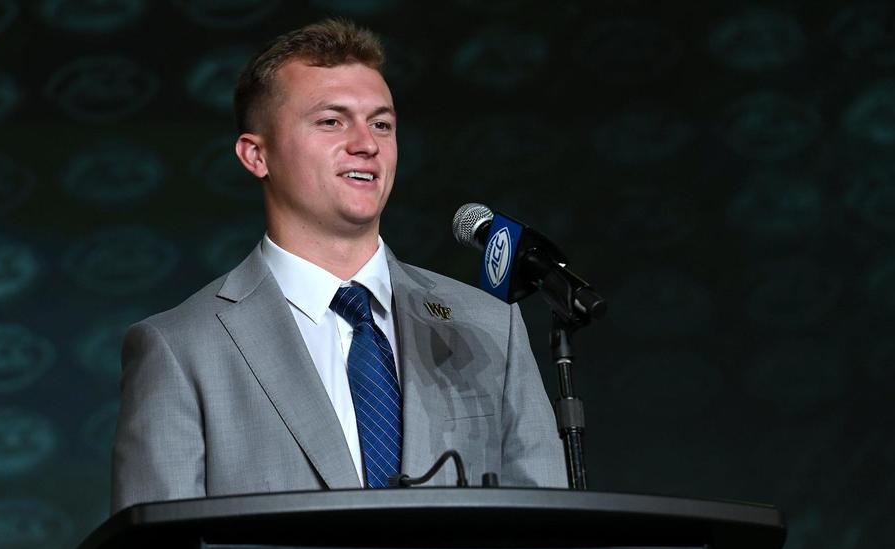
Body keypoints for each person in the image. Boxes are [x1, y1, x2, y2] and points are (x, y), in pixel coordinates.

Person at [110, 18, 565, 513]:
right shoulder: (182, 349)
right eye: (331, 121)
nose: (366, 143)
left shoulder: (489, 327)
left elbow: (550, 547)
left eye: (382, 124)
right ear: (256, 155)